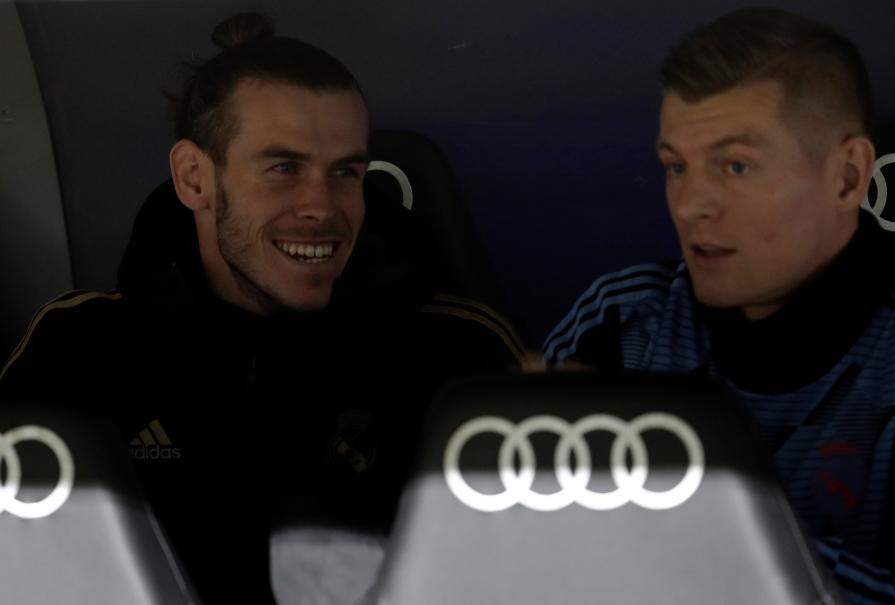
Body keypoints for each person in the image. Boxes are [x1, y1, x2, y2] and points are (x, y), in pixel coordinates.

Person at [0, 13, 522, 605]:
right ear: (194, 178)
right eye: (284, 169)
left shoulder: (456, 353)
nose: (322, 207)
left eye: (346, 172)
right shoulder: (77, 352)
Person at [544, 8, 895, 604]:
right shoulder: (621, 321)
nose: (690, 206)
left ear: (847, 177)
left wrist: (727, 535)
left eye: (735, 166)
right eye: (675, 167)